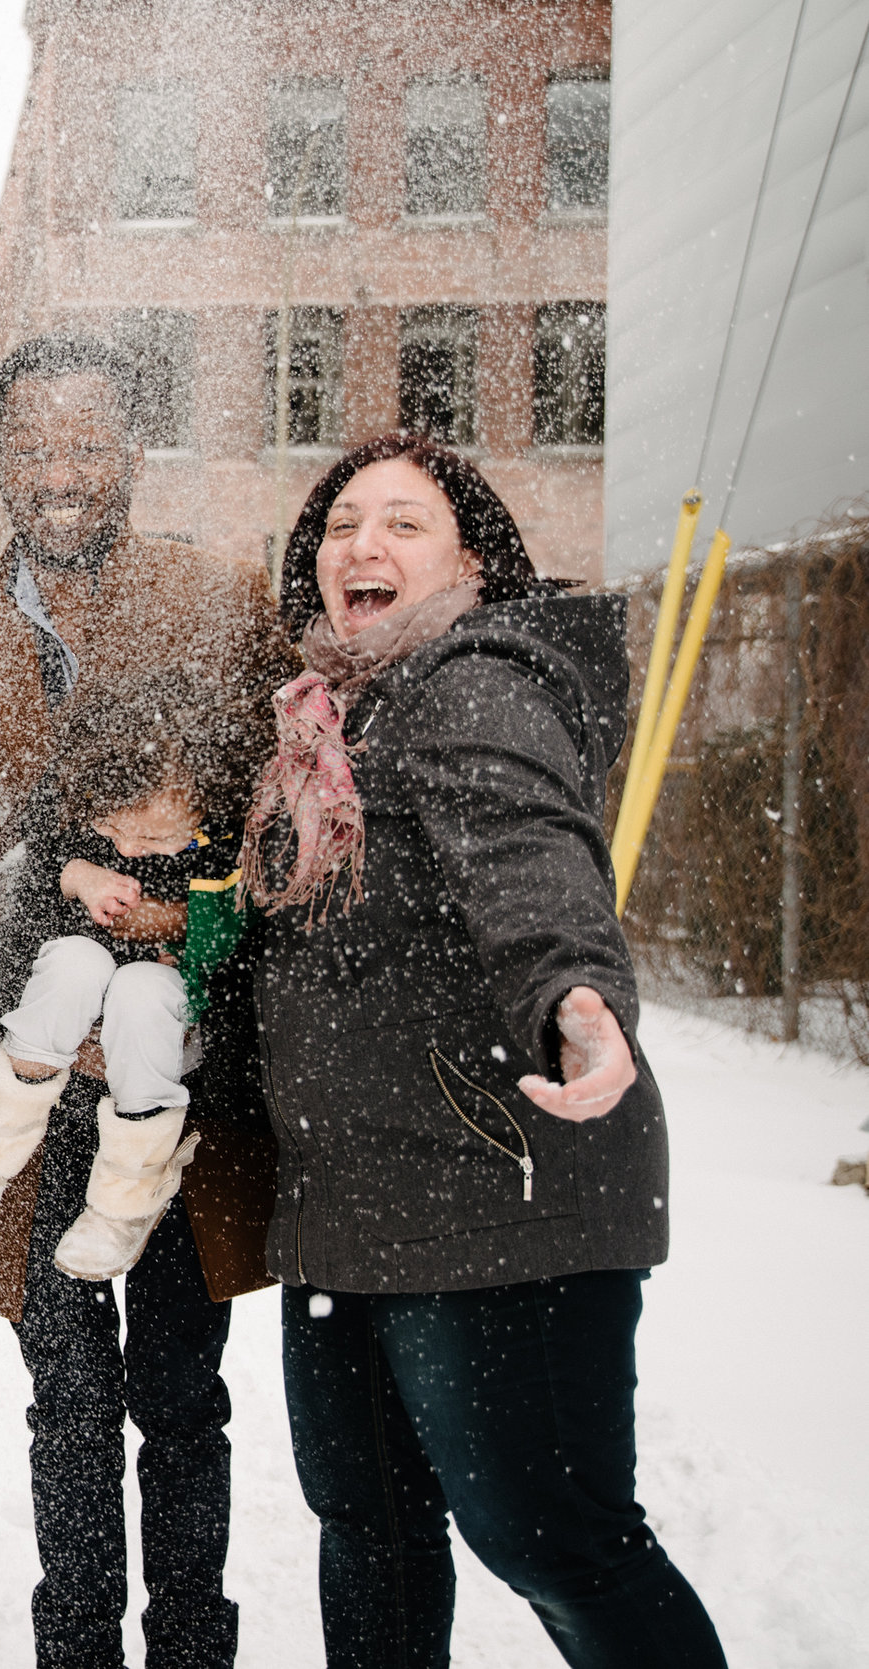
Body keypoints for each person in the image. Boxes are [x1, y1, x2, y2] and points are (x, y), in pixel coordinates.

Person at [246, 433, 726, 1669]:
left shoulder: (474, 678)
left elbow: (528, 849)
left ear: (472, 558)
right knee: (373, 1529)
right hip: (349, 1206)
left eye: (406, 523)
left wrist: (574, 991)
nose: (365, 543)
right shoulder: (322, 723)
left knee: (555, 1537)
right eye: (345, 522)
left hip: (498, 1182)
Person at [0, 333, 298, 1669]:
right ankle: (72, 1648)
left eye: (88, 443)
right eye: (34, 446)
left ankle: (195, 1647)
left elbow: (274, 828)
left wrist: (185, 920)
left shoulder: (218, 601)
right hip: (26, 1075)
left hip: (173, 1072)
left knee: (184, 1401)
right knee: (63, 1407)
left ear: (129, 453)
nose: (62, 471)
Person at [0, 666, 273, 1284]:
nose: (130, 847)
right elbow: (31, 858)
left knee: (143, 996)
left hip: (164, 993)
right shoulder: (75, 793)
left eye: (151, 836)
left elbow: (237, 929)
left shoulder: (227, 836)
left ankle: (122, 1204)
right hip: (67, 980)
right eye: (111, 830)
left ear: (200, 800)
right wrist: (77, 875)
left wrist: (176, 927)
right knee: (75, 964)